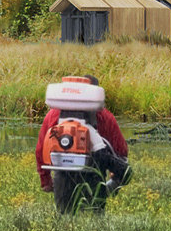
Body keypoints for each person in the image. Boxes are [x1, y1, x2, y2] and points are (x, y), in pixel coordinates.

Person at [36, 73, 131, 211]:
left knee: (65, 219)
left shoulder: (53, 115)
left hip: (62, 175)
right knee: (94, 220)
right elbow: (121, 150)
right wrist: (116, 173)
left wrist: (45, 180)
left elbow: (41, 149)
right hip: (94, 176)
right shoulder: (105, 116)